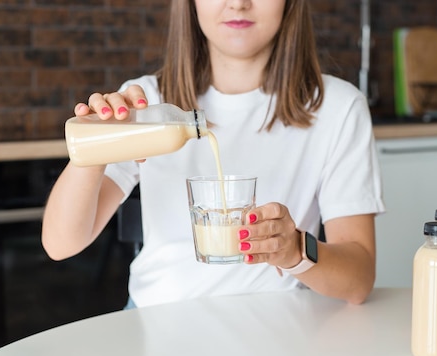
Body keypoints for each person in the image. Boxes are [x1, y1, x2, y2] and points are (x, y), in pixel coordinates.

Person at [42, 0, 385, 308]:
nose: (238, 4)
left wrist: (295, 251)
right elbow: (60, 244)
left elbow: (357, 282)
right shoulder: (148, 103)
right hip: (158, 320)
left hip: (278, 322)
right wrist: (98, 142)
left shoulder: (338, 108)